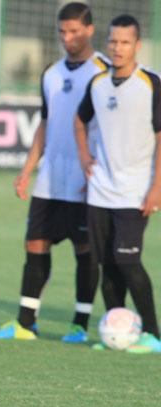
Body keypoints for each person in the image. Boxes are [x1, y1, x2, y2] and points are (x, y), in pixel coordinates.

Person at [0, 3, 109, 343]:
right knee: (35, 244)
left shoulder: (104, 72)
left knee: (85, 250)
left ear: (90, 30)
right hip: (50, 178)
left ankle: (80, 325)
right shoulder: (51, 73)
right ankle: (26, 323)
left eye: (74, 32)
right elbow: (45, 122)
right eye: (62, 32)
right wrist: (27, 170)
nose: (67, 38)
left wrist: (100, 172)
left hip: (86, 179)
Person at [74, 14, 161, 353]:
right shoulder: (97, 83)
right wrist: (84, 156)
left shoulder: (151, 83)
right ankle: (117, 328)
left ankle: (153, 334)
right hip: (100, 189)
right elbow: (80, 121)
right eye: (113, 41)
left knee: (127, 260)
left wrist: (157, 186)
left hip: (136, 190)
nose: (117, 48)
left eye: (125, 42)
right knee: (106, 263)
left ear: (137, 45)